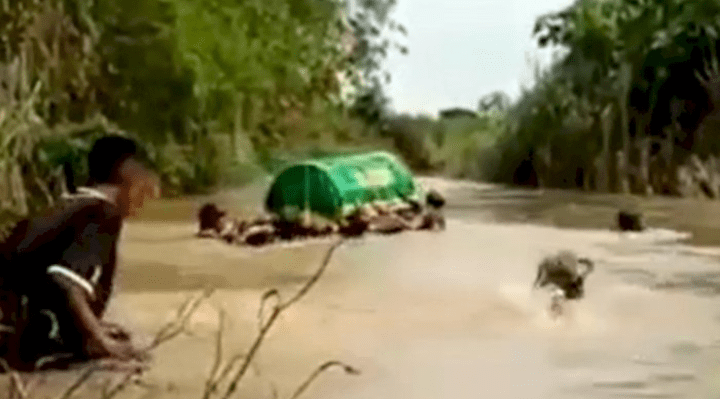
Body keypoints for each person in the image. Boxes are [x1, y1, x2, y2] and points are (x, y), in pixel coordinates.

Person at [0, 135, 158, 370]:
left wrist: (92, 324)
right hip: (16, 343)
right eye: (146, 182)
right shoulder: (102, 213)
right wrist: (100, 340)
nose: (148, 195)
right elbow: (65, 280)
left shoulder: (64, 206)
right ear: (128, 173)